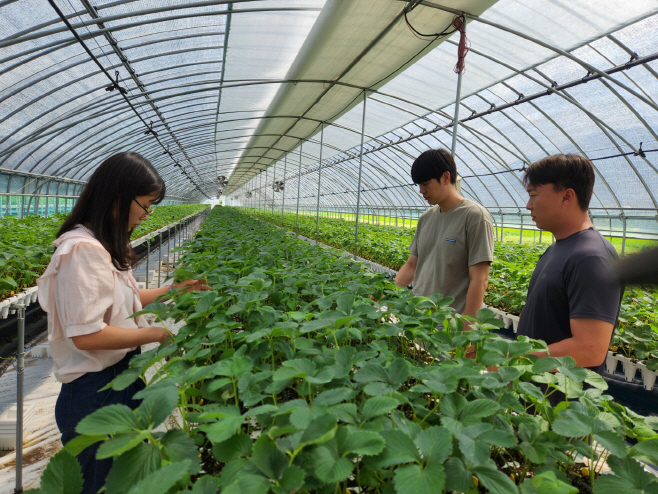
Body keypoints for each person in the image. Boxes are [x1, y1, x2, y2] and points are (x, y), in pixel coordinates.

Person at [37, 152, 208, 494]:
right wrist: (157, 333)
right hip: (93, 391)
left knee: (122, 479)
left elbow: (124, 301)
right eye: (145, 204)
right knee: (102, 485)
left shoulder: (102, 244)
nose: (149, 214)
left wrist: (173, 289)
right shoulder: (82, 251)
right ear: (118, 197)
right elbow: (87, 335)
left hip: (120, 376)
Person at [517, 154, 623, 379]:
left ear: (567, 196)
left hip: (562, 405)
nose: (528, 206)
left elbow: (589, 349)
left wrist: (514, 359)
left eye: (533, 195)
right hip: (538, 396)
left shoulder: (591, 258)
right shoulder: (559, 248)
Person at [395, 148, 494, 318]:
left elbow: (479, 279)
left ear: (446, 178)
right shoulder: (426, 218)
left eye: (426, 184)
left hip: (450, 323)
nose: (421, 191)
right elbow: (412, 265)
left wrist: (467, 329)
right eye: (419, 185)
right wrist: (386, 294)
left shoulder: (475, 217)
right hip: (419, 318)